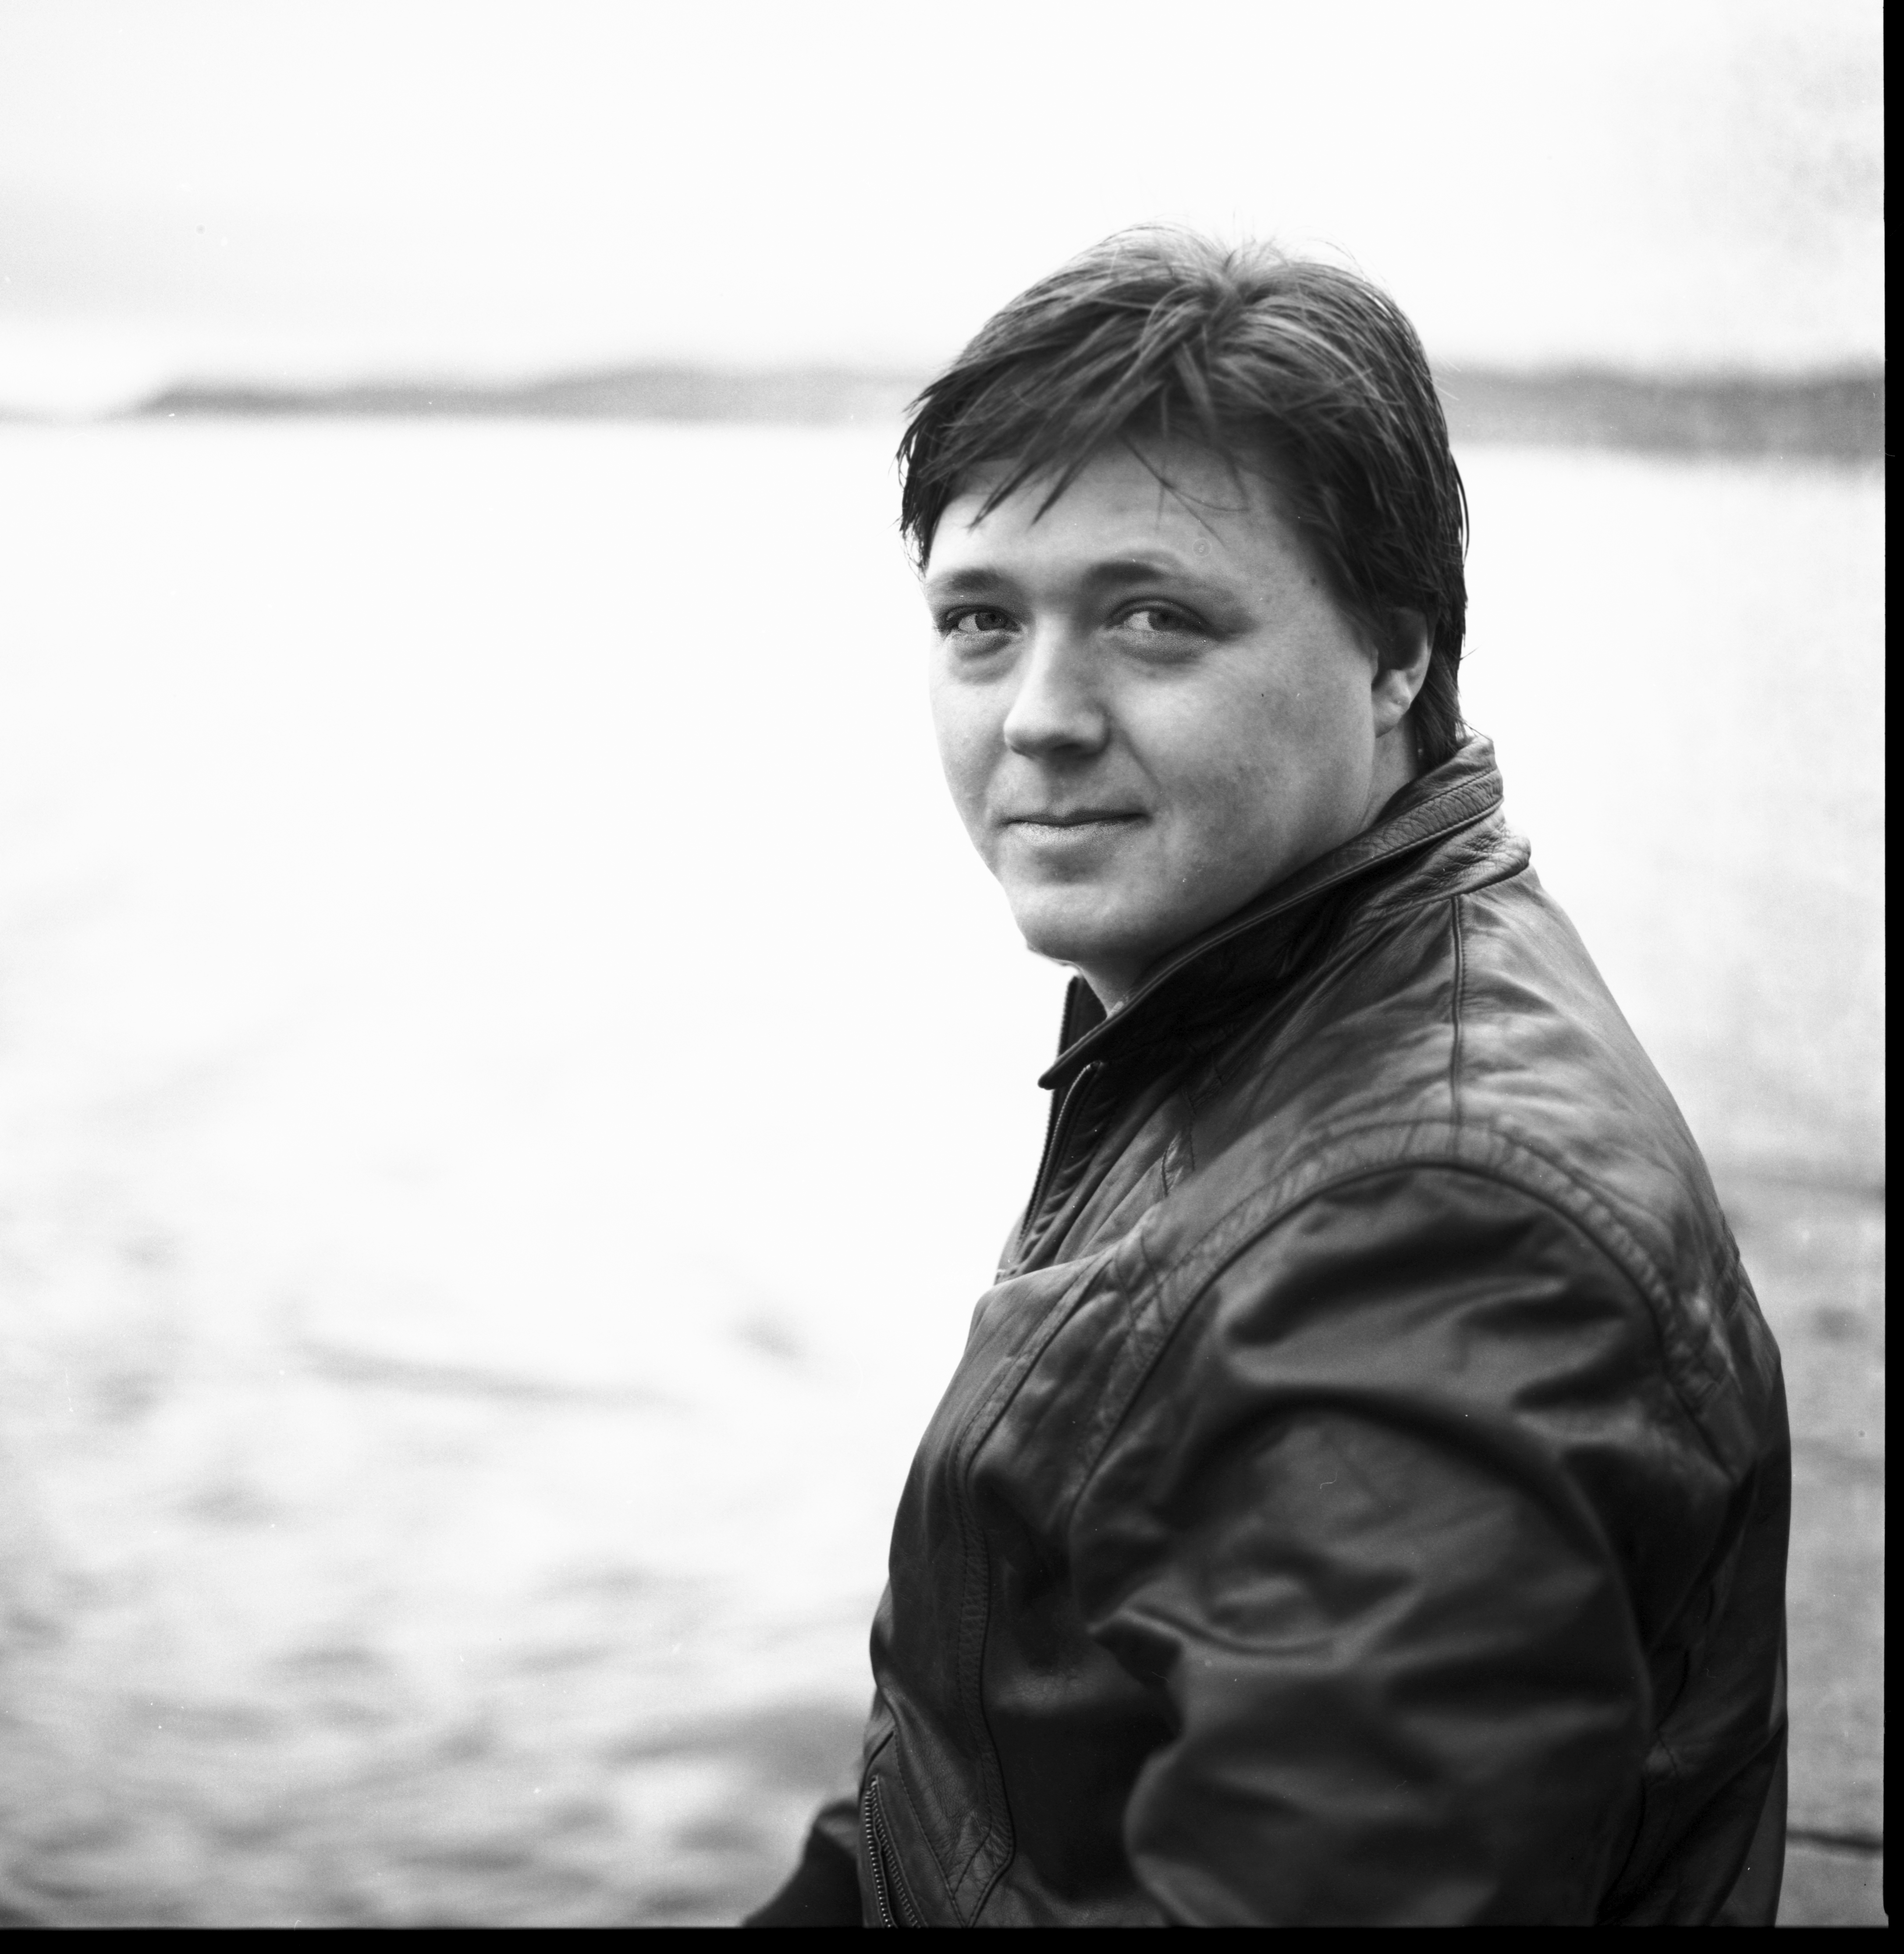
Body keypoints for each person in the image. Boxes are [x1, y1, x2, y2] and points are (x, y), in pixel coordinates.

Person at [745, 229, 1789, 1927]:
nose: (1041, 716)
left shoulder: (1438, 1234)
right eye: (981, 623)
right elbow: (976, 1773)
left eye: (1153, 619)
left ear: (1395, 656)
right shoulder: (1261, 1001)